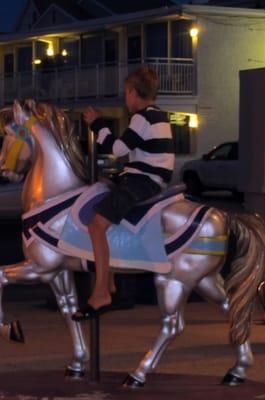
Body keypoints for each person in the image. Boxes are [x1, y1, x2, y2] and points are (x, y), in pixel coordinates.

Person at [72, 66, 174, 321]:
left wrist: (97, 124)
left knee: (96, 225)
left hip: (143, 182)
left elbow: (117, 149)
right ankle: (112, 286)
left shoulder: (142, 117)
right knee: (105, 203)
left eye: (125, 93)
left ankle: (101, 292)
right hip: (147, 178)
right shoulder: (158, 115)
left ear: (132, 92)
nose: (124, 99)